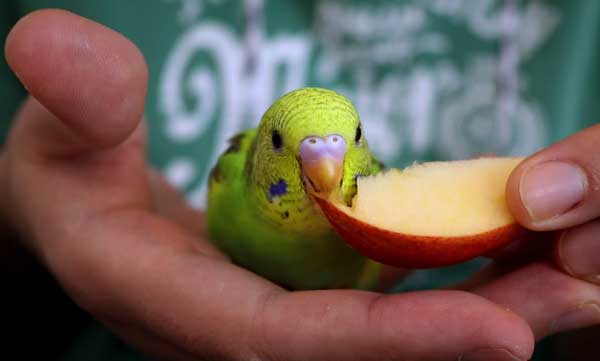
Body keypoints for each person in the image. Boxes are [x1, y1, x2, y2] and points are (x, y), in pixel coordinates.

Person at [2, 1, 600, 360]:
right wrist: (27, 214)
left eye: (349, 145)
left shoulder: (375, 205)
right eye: (287, 146)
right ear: (261, 148)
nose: (326, 170)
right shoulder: (231, 175)